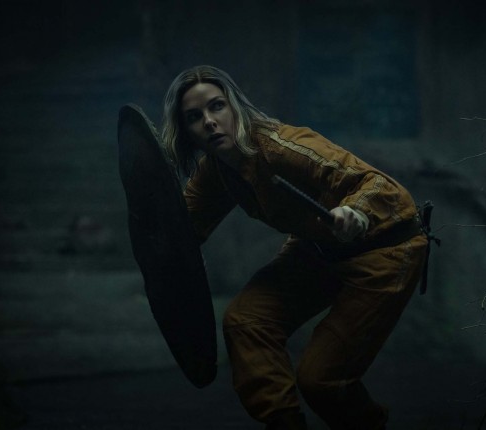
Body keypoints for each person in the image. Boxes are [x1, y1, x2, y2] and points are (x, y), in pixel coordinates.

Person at [161, 65, 428, 430]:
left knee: (321, 381)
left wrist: (355, 212)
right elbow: (180, 233)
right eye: (194, 117)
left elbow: (381, 186)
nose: (209, 121)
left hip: (384, 250)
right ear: (186, 131)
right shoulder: (215, 171)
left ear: (235, 107)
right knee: (247, 321)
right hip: (319, 249)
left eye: (217, 106)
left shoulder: (281, 146)